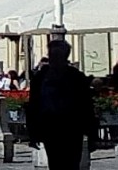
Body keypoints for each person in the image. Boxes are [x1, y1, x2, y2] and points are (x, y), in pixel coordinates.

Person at [25, 39, 93, 170]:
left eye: (57, 56)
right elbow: (33, 104)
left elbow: (87, 105)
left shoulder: (76, 77)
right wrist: (33, 132)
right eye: (52, 55)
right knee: (55, 162)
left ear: (65, 56)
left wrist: (91, 132)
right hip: (50, 126)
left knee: (72, 163)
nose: (54, 59)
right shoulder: (40, 77)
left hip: (72, 127)